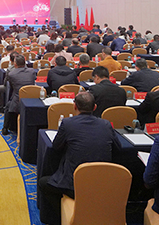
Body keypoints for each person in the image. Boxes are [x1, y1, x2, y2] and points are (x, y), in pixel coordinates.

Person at [37, 92, 118, 225]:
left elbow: (56, 146)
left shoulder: (67, 123)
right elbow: (118, 147)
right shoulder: (106, 124)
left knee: (44, 183)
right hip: (102, 184)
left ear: (74, 106)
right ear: (95, 107)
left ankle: (65, 218)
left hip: (75, 186)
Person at [2, 55, 36, 135]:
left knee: (8, 106)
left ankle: (5, 128)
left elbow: (11, 87)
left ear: (15, 64)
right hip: (32, 98)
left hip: (18, 99)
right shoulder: (32, 71)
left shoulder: (11, 74)